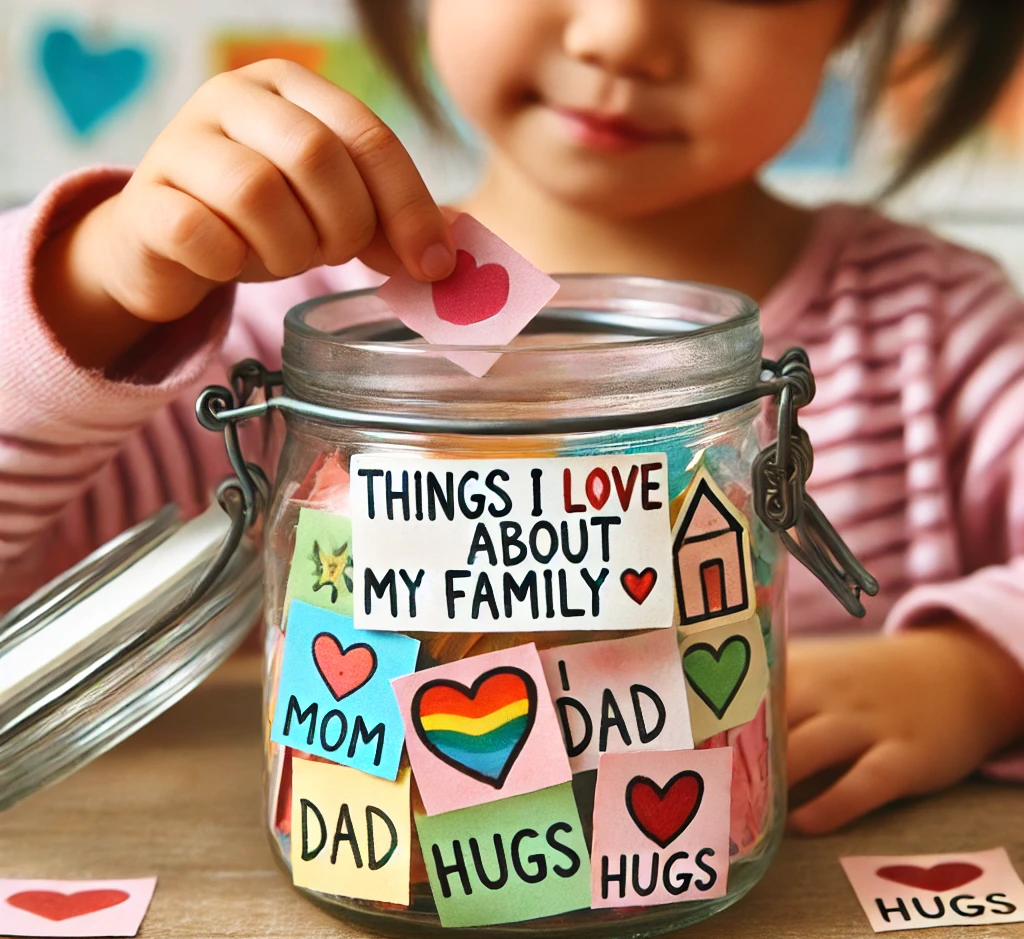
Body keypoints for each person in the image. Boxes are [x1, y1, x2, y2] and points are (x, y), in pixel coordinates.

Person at [2, 0, 1024, 834]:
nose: (619, 36)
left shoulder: (942, 334)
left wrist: (977, 668)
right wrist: (99, 284)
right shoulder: (282, 337)